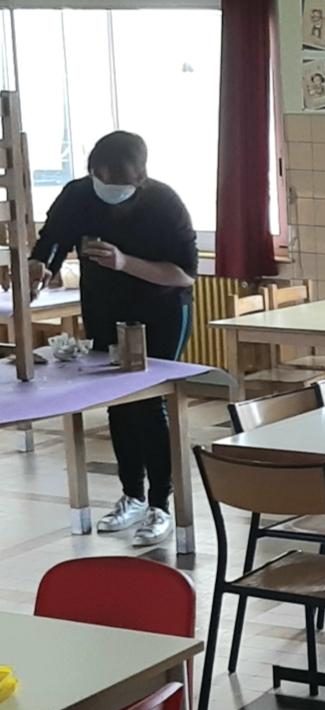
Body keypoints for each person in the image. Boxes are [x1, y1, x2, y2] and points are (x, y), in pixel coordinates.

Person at [28, 131, 199, 547]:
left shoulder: (164, 204)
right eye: (100, 179)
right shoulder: (77, 196)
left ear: (138, 179)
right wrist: (39, 267)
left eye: (117, 184)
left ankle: (162, 502)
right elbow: (52, 240)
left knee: (147, 402)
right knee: (117, 404)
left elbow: (183, 273)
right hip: (104, 308)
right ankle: (133, 495)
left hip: (161, 311)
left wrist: (125, 263)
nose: (108, 190)